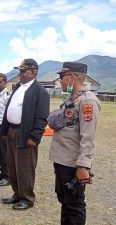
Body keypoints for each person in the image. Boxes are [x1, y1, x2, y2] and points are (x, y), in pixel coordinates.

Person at [48, 62, 101, 225]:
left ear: (72, 76)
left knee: (74, 206)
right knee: (65, 202)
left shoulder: (87, 101)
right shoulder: (73, 99)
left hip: (73, 164)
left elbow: (88, 136)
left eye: (62, 77)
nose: (60, 81)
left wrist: (83, 166)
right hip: (63, 161)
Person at [1, 58, 50, 210]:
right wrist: (5, 130)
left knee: (25, 168)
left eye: (23, 71)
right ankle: (17, 194)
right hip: (12, 131)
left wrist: (34, 137)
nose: (20, 74)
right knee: (13, 165)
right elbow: (9, 108)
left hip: (25, 133)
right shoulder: (18, 87)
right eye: (20, 71)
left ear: (34, 72)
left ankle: (27, 198)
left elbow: (42, 118)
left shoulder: (40, 92)